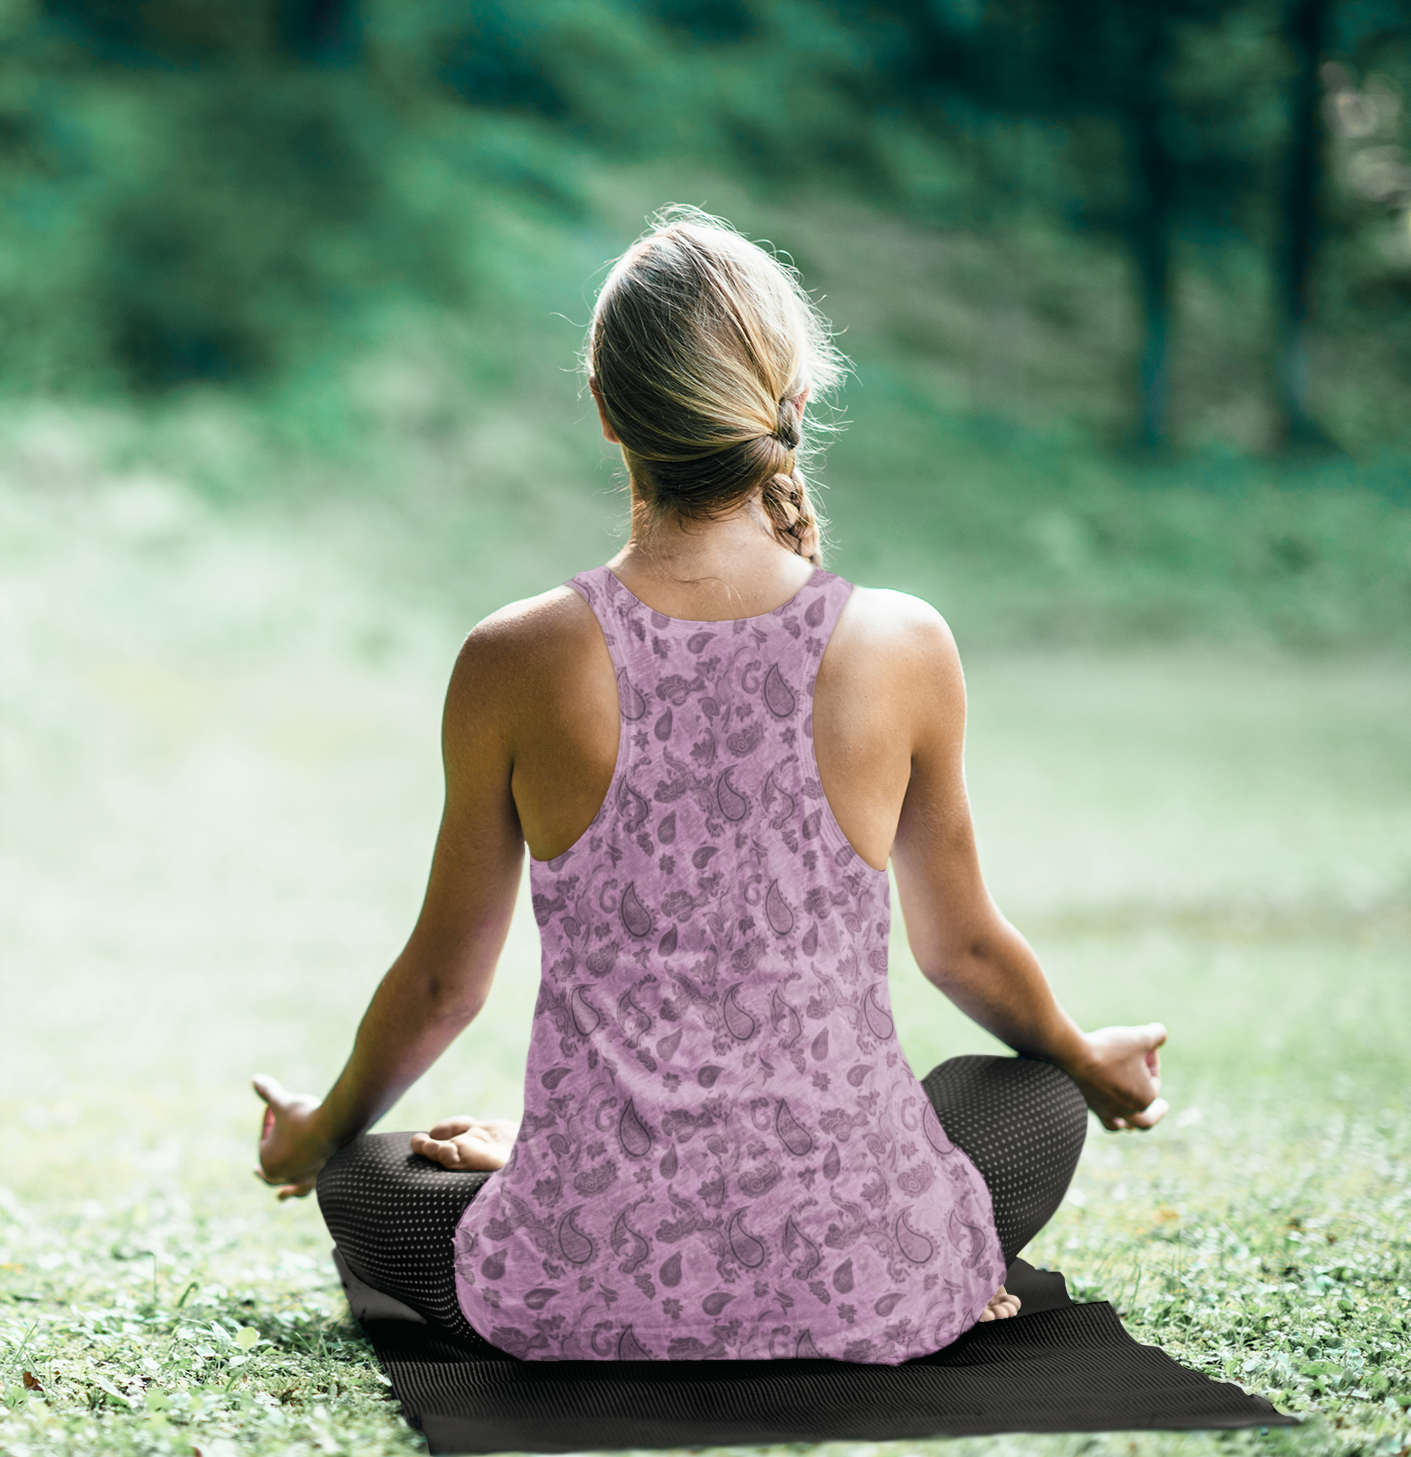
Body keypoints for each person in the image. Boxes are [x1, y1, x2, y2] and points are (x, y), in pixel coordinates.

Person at [254, 208, 1167, 1364]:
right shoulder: (902, 643)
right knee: (1028, 1092)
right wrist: (1090, 1063)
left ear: (605, 411)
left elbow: (445, 982)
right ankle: (916, 1249)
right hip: (856, 1270)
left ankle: (543, 1175)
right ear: (790, 404)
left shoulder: (513, 658)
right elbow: (966, 957)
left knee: (371, 1178)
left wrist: (315, 1133)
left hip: (587, 1283)